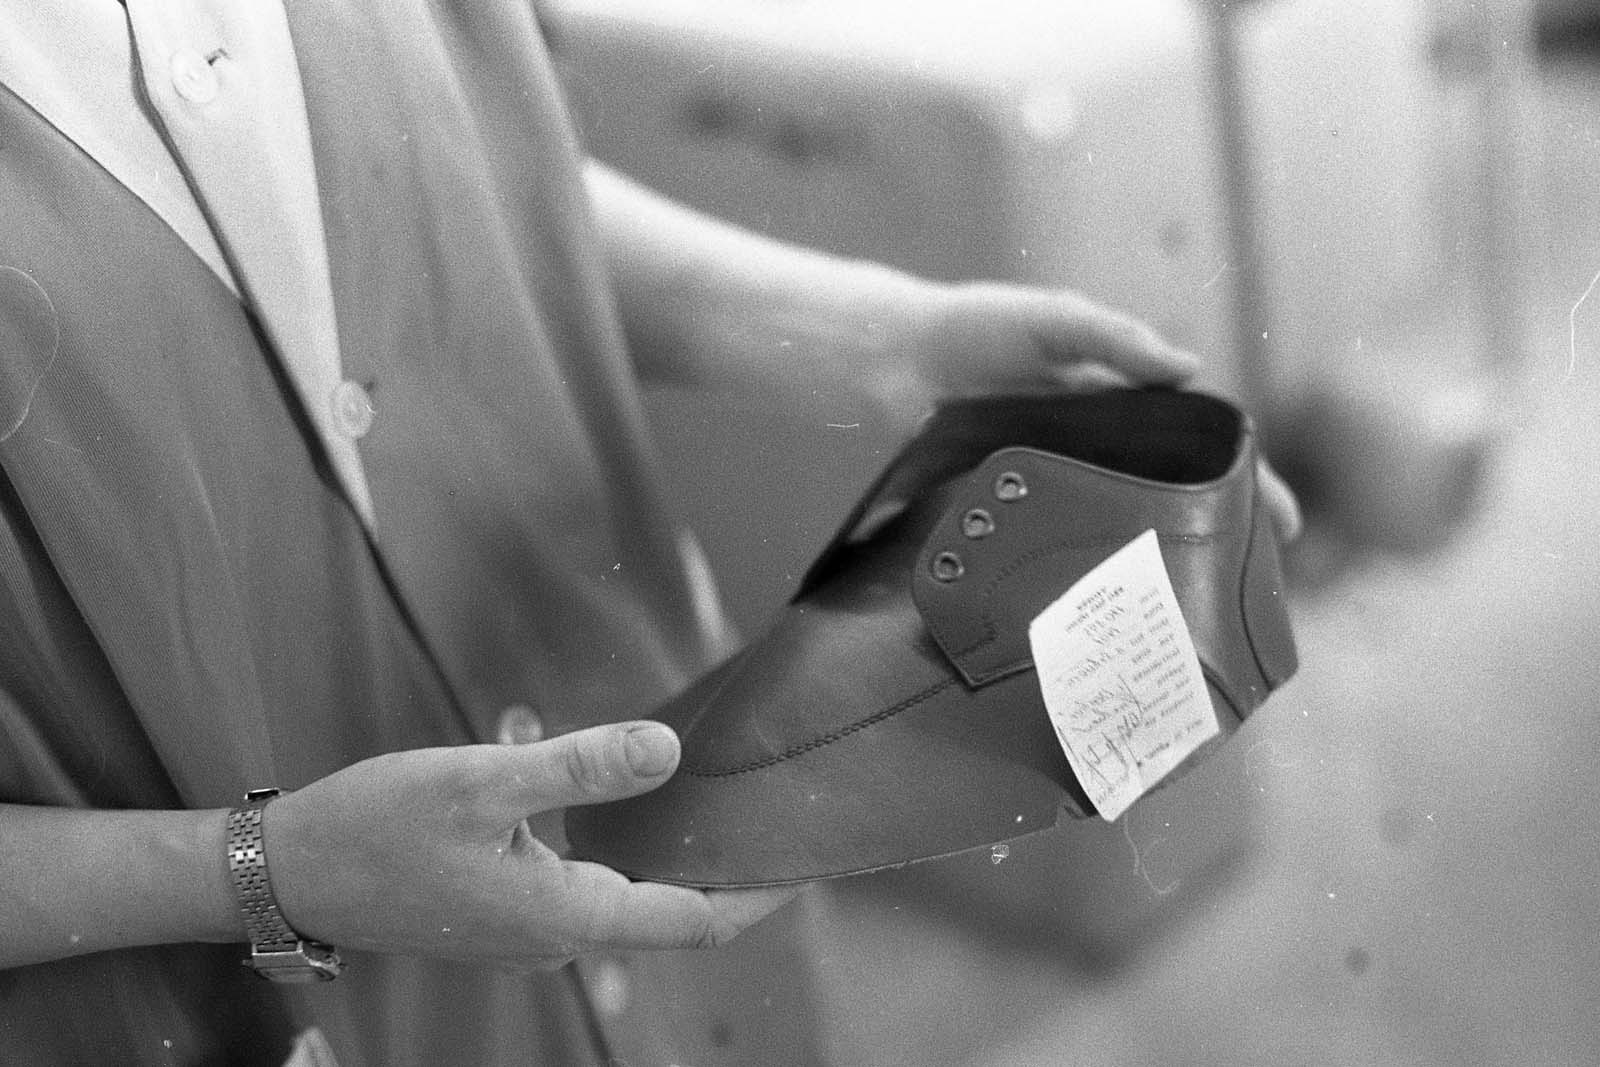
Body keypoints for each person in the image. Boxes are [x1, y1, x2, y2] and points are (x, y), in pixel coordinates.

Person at [0, 1, 1299, 1064]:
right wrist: (263, 871)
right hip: (253, 997)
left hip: (665, 825)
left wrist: (886, 338)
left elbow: (478, 172)